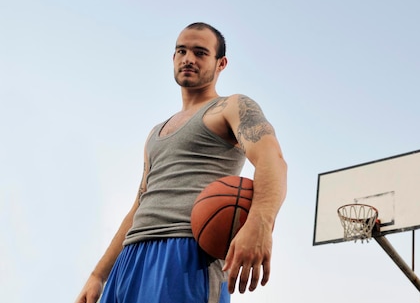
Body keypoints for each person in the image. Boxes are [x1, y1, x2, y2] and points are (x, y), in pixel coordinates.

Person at [74, 22, 288, 303]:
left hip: (187, 254)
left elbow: (273, 161)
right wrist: (98, 276)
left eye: (200, 52)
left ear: (220, 63)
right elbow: (140, 204)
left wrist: (260, 220)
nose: (188, 58)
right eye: (181, 51)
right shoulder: (155, 132)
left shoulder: (231, 107)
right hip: (130, 260)